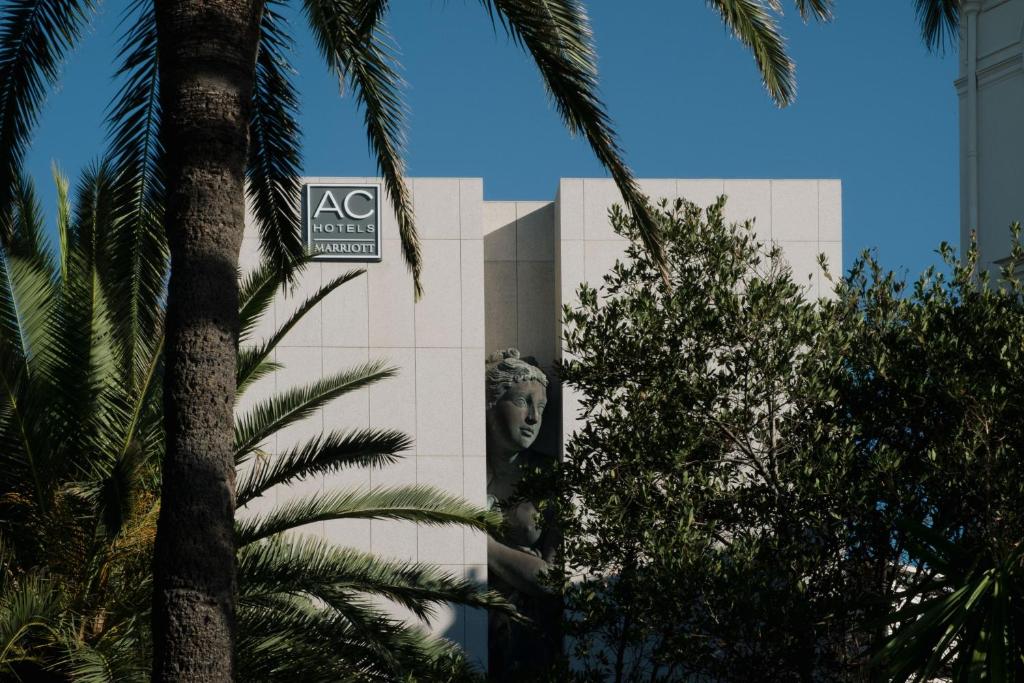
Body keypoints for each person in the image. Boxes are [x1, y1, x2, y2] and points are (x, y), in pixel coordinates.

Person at [485, 349, 560, 679]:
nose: (533, 418)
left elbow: (552, 581)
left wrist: (483, 547)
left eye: (541, 408)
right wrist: (521, 562)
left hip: (533, 640)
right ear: (491, 405)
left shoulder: (551, 479)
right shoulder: (464, 473)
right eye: (521, 402)